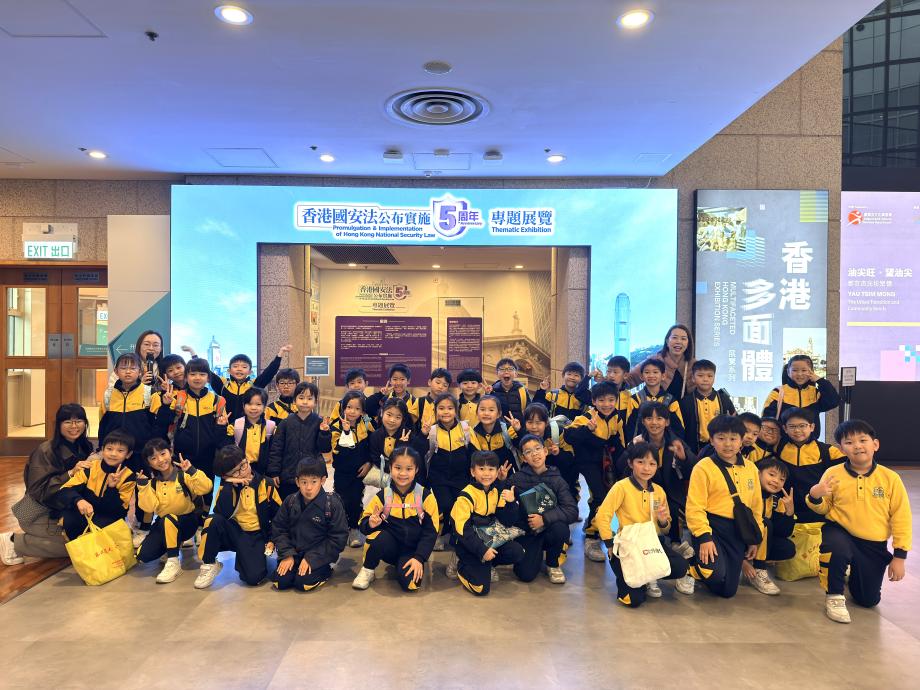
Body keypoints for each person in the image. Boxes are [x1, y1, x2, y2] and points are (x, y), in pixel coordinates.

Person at [810, 420, 912, 624]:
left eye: (862, 440)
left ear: (875, 444)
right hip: (840, 531)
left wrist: (899, 556)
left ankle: (852, 575)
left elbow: (901, 517)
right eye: (849, 442)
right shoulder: (832, 473)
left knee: (867, 600)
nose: (857, 446)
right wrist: (815, 496)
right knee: (836, 548)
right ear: (841, 449)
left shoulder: (890, 478)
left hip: (873, 543)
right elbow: (824, 509)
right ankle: (834, 595)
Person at [595, 442, 690, 606]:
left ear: (657, 466)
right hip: (627, 545)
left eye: (652, 464)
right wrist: (609, 543)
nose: (646, 468)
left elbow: (665, 529)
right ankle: (640, 577)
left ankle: (650, 576)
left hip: (650, 544)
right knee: (633, 600)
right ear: (631, 463)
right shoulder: (621, 487)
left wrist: (663, 521)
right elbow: (603, 515)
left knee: (681, 566)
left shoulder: (659, 491)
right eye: (641, 462)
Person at [1, 404, 96, 564]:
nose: (74, 426)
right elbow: (38, 489)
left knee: (91, 538)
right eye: (68, 422)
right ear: (58, 425)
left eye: (79, 421)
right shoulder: (45, 451)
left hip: (66, 509)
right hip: (38, 513)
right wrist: (70, 472)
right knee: (77, 546)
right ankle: (13, 542)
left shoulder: (85, 446)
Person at [686, 415, 764, 598]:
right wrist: (704, 537)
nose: (727, 444)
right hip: (711, 526)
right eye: (721, 438)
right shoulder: (703, 467)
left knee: (727, 591)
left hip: (737, 529)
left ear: (741, 441)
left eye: (733, 438)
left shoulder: (751, 468)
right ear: (711, 440)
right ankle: (691, 567)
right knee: (715, 573)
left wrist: (755, 538)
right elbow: (694, 506)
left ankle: (708, 570)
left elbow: (756, 506)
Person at [624, 401, 697, 587]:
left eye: (660, 418)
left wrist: (683, 457)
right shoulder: (638, 441)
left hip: (671, 491)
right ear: (643, 421)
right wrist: (632, 449)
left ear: (667, 421)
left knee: (670, 507)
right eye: (649, 418)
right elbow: (621, 468)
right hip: (643, 491)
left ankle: (673, 543)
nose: (654, 422)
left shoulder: (675, 442)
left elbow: (694, 468)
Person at [352, 447, 440, 591]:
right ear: (390, 468)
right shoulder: (383, 496)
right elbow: (363, 523)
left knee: (411, 585)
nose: (403, 473)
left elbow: (431, 532)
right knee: (376, 537)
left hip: (412, 551)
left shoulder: (426, 496)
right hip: (389, 548)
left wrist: (419, 557)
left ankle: (403, 565)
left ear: (416, 470)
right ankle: (368, 569)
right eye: (398, 468)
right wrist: (371, 524)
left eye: (409, 469)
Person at [195, 445, 282, 588]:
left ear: (247, 460)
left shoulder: (266, 484)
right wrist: (230, 485)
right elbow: (221, 514)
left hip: (257, 535)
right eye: (234, 472)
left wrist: (272, 539)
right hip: (235, 532)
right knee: (213, 520)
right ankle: (210, 563)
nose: (241, 473)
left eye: (243, 465)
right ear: (226, 476)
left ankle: (247, 557)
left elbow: (280, 516)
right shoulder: (226, 487)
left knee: (254, 578)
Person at [136, 439, 214, 584]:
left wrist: (192, 471)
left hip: (187, 522)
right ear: (149, 463)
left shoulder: (183, 475)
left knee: (169, 518)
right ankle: (171, 544)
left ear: (170, 452)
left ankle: (173, 561)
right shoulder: (153, 483)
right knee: (143, 555)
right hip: (163, 524)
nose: (160, 460)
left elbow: (206, 488)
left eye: (163, 454)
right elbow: (148, 508)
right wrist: (142, 487)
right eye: (153, 458)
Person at [157, 357, 230, 510]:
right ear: (186, 377)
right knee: (183, 492)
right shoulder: (178, 398)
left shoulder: (217, 401)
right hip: (182, 456)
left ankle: (204, 517)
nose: (197, 378)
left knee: (207, 490)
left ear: (208, 378)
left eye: (202, 374)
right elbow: (162, 424)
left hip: (208, 456)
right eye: (193, 374)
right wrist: (165, 405)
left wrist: (221, 427)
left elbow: (220, 438)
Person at [449, 451, 525, 596]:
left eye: (491, 469)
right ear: (473, 471)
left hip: (490, 539)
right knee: (481, 588)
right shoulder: (465, 496)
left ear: (497, 472)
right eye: (481, 469)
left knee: (517, 552)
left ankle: (488, 563)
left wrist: (511, 503)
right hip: (469, 544)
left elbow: (508, 521)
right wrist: (482, 550)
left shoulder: (497, 491)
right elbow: (463, 530)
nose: (486, 473)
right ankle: (460, 565)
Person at [506, 434, 578, 584]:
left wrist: (544, 519)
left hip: (550, 529)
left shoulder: (557, 479)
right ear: (524, 458)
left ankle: (553, 563)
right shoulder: (517, 479)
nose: (534, 454)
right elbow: (503, 502)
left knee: (561, 529)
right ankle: (534, 556)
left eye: (537, 449)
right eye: (528, 451)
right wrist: (501, 482)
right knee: (525, 575)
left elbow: (572, 510)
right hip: (528, 531)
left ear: (545, 451)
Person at [565, 382, 625, 562]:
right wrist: (587, 429)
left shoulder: (617, 417)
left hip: (605, 462)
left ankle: (592, 523)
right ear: (593, 401)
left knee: (605, 495)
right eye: (601, 400)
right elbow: (568, 436)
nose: (606, 404)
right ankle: (591, 536)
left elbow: (618, 442)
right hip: (585, 462)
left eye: (611, 400)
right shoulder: (586, 417)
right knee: (599, 496)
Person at [271, 459, 348, 592]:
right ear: (297, 482)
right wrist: (287, 554)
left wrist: (311, 558)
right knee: (280, 582)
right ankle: (294, 563)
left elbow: (338, 539)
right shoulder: (290, 501)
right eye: (304, 482)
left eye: (314, 481)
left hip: (318, 555)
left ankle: (325, 571)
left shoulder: (332, 504)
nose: (308, 488)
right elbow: (279, 529)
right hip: (294, 553)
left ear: (322, 480)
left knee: (303, 584)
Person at [58, 429, 136, 540]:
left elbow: (118, 511)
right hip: (85, 513)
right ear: (103, 450)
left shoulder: (128, 476)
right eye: (109, 449)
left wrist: (111, 488)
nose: (113, 454)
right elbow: (64, 490)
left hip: (108, 516)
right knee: (70, 518)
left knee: (102, 528)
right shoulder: (91, 467)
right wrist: (78, 500)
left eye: (120, 450)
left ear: (128, 454)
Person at [776, 408, 845, 525]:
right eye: (792, 426)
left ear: (812, 427)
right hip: (787, 508)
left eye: (802, 426)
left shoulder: (827, 450)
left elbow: (852, 464)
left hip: (818, 509)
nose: (797, 430)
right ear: (785, 429)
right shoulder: (778, 448)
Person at [98, 352, 165, 469]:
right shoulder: (109, 394)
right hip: (115, 455)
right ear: (116, 371)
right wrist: (101, 447)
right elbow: (103, 424)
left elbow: (158, 425)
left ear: (140, 372)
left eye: (133, 368)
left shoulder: (149, 393)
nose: (128, 372)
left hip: (141, 454)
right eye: (123, 368)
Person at [266, 382, 332, 500]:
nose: (305, 402)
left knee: (311, 504)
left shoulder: (319, 422)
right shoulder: (286, 422)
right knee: (288, 504)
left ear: (315, 402)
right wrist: (274, 472)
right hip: (288, 475)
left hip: (311, 475)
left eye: (309, 398)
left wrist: (324, 433)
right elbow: (276, 449)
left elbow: (325, 448)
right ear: (294, 400)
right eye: (301, 398)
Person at [424, 393, 472, 553]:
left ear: (456, 410)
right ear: (435, 410)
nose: (446, 412)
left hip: (461, 478)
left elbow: (472, 452)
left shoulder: (465, 429)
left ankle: (456, 535)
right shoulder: (432, 431)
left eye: (450, 408)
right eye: (441, 408)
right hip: (439, 478)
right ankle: (440, 534)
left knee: (459, 506)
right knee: (444, 504)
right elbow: (423, 453)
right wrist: (422, 434)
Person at [743, 457, 795, 596]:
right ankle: (758, 567)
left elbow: (784, 532)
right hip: (738, 541)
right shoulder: (745, 494)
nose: (776, 481)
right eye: (771, 474)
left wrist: (789, 511)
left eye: (782, 479)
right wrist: (742, 561)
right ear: (758, 473)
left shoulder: (775, 501)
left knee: (788, 548)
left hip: (757, 544)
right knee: (764, 522)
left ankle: (758, 565)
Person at [329, 391, 375, 548]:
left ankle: (355, 529)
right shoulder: (336, 427)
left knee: (355, 500)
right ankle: (342, 530)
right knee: (341, 500)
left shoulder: (366, 422)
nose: (352, 411)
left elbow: (373, 444)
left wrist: (369, 463)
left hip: (360, 472)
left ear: (362, 411)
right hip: (342, 472)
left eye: (357, 408)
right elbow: (341, 453)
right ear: (343, 408)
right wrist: (347, 432)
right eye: (349, 407)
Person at [762, 355, 840, 442]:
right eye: (795, 370)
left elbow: (833, 402)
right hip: (783, 445)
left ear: (811, 371)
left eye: (804, 370)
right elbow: (766, 420)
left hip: (810, 445)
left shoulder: (815, 393)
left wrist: (820, 380)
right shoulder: (778, 392)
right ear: (788, 372)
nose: (799, 374)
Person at [207, 344, 292, 421]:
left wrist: (280, 354)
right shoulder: (223, 385)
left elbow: (269, 372)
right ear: (229, 371)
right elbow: (206, 372)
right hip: (225, 428)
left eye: (244, 367)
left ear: (250, 372)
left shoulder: (254, 385)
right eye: (235, 366)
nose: (239, 369)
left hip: (249, 430)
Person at [520, 403, 578, 500]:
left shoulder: (558, 433)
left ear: (546, 423)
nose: (534, 427)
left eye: (538, 423)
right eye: (530, 422)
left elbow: (571, 459)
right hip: (537, 478)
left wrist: (558, 453)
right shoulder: (523, 436)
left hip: (560, 474)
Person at [367, 398, 429, 486]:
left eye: (398, 417)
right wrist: (391, 469)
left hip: (405, 474)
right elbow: (376, 458)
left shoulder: (408, 434)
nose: (392, 420)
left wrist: (422, 435)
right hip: (384, 472)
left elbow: (418, 456)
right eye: (389, 415)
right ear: (382, 413)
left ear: (403, 419)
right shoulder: (375, 435)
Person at [625, 324, 696, 399]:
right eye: (674, 337)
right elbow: (629, 379)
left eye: (683, 339)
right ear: (667, 341)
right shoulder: (655, 360)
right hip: (657, 406)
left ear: (688, 343)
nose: (678, 341)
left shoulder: (694, 365)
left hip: (685, 406)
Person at [678, 359, 736, 454]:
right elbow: (680, 428)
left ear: (714, 378)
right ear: (693, 378)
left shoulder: (723, 399)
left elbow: (734, 422)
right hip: (693, 449)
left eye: (709, 376)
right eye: (700, 375)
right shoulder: (686, 402)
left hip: (720, 448)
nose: (705, 379)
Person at [624, 358, 686, 441]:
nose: (651, 375)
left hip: (665, 445)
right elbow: (630, 427)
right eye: (647, 372)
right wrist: (633, 444)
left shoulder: (671, 401)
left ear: (663, 376)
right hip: (641, 445)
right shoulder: (635, 399)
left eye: (655, 372)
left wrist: (674, 444)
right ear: (641, 376)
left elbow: (678, 428)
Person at [226, 387, 276, 475]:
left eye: (258, 404)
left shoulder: (270, 426)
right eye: (249, 404)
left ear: (264, 407)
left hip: (262, 472)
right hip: (240, 471)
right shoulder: (235, 425)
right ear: (243, 406)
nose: (253, 408)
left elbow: (274, 453)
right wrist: (220, 427)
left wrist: (273, 472)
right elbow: (225, 447)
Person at [469, 394, 520, 472]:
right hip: (485, 475)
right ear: (477, 413)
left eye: (491, 410)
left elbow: (519, 445)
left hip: (507, 474)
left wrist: (518, 430)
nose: (486, 413)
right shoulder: (473, 433)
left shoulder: (507, 429)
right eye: (482, 409)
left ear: (499, 414)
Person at [490, 358, 531, 423]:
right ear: (497, 373)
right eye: (502, 369)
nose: (506, 372)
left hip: (518, 427)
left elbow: (530, 411)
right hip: (499, 428)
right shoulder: (492, 392)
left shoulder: (522, 391)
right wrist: (487, 394)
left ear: (516, 374)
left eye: (510, 369)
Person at [416, 368, 452, 433]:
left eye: (445, 385)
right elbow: (412, 426)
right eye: (438, 382)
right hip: (422, 437)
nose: (440, 387)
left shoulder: (450, 404)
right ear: (429, 382)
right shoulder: (419, 402)